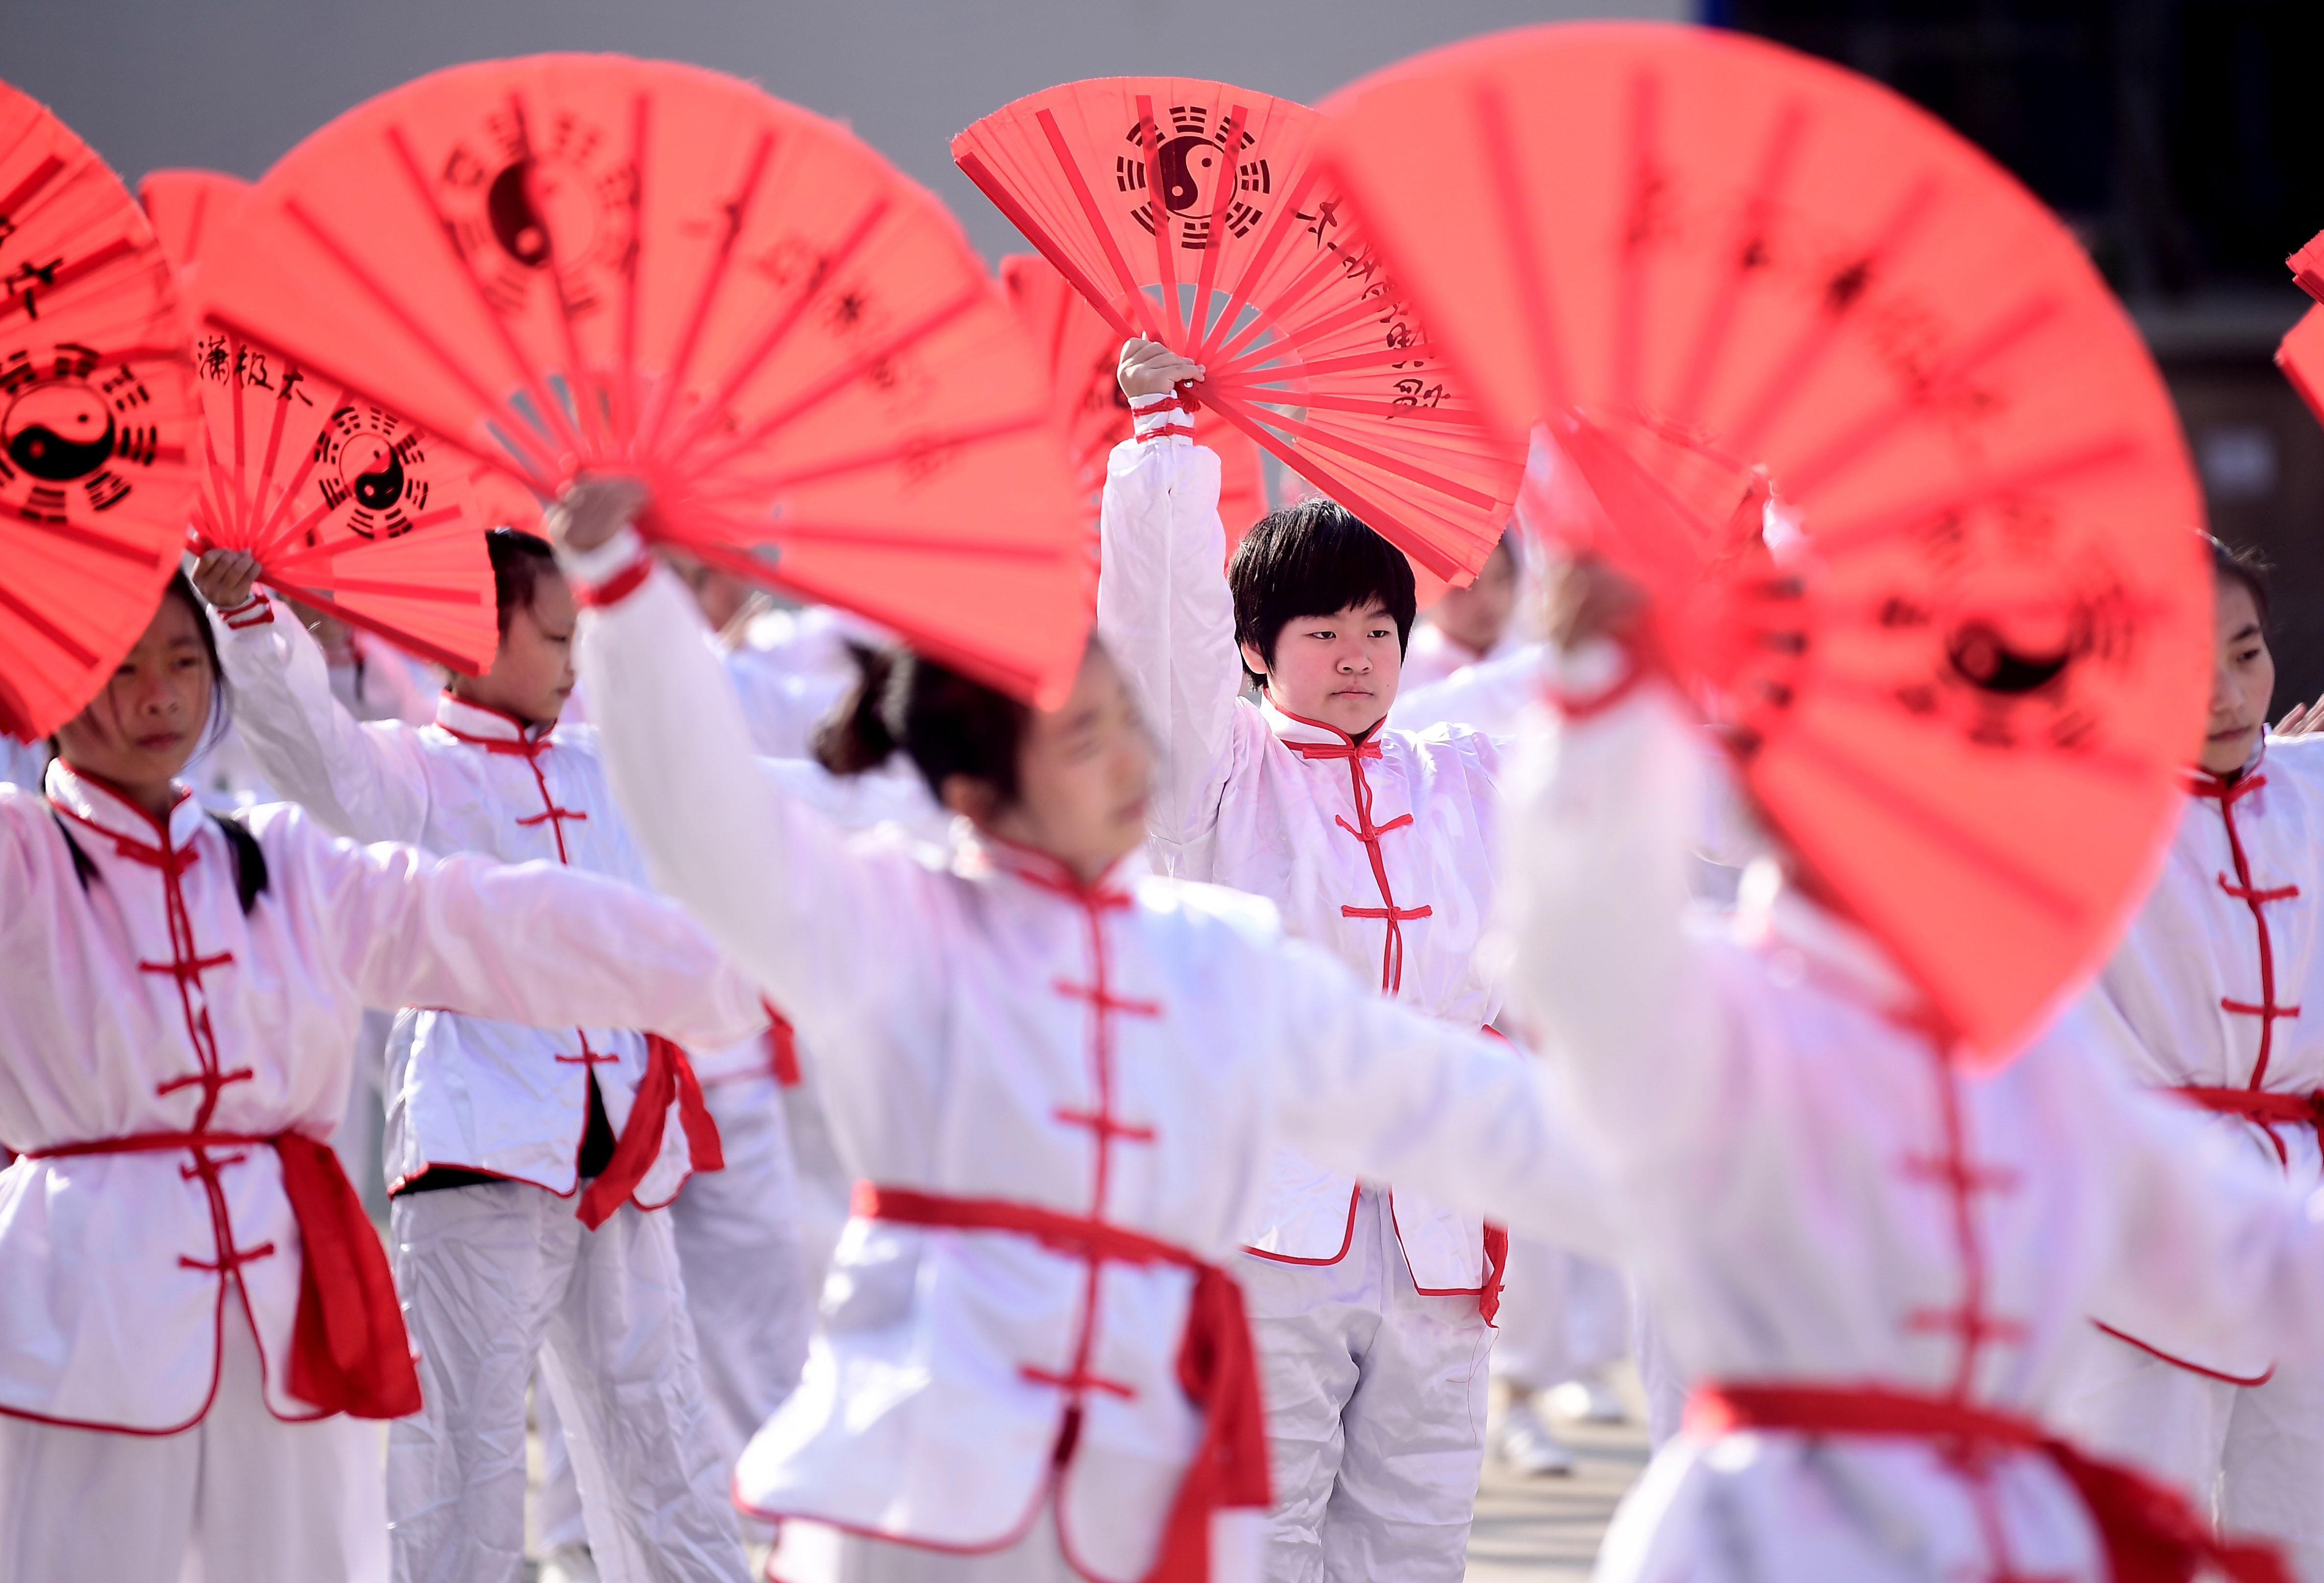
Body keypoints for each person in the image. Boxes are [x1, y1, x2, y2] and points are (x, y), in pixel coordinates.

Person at [547, 475, 1616, 1583]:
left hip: (1135, 1470)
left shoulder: (1209, 946)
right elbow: (705, 818)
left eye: (1122, 730)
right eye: (1082, 738)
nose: (1128, 764)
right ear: (971, 781)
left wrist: (1679, 1186)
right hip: (922, 1470)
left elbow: (1436, 1094)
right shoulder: (893, 920)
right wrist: (623, 595)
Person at [1492, 553, 2324, 1582]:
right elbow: (1574, 955)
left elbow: (2238, 1237)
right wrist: (1595, 706)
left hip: (1986, 1515)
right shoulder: (1719, 1002)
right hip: (1767, 1524)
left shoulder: (2015, 1042)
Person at [0, 573, 768, 1583]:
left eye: (184, 664)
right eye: (125, 669)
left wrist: (729, 969)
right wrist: (248, 617)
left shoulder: (274, 858)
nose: (161, 695)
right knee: (456, 1451)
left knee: (649, 1422)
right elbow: (323, 755)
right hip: (92, 1289)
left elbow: (484, 918)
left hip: (290, 1296)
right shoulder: (24, 857)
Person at [1096, 337, 1583, 1581]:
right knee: (1257, 1537)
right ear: (1257, 649)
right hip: (1265, 1217)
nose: (1358, 653)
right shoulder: (1215, 779)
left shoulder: (1454, 771)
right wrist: (1162, 446)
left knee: (1416, 1538)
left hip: (1435, 1223)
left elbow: (1595, 705)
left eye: (1379, 625)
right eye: (1320, 630)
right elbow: (1163, 639)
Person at [2046, 540, 2324, 1579]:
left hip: (2299, 1221)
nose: (2224, 691)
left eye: (2244, 653)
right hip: (2135, 1217)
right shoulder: (2069, 810)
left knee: (2302, 1530)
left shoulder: (2311, 788)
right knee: (2127, 1535)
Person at [1401, 529, 1529, 691]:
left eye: (1500, 578)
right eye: (1466, 586)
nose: (1487, 599)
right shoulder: (1401, 678)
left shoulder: (1537, 666)